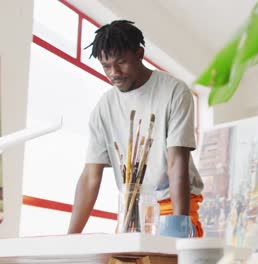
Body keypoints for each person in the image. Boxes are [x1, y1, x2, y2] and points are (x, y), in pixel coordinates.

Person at [67, 20, 204, 237]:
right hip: (132, 209)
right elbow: (90, 176)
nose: (114, 73)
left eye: (121, 62)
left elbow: (177, 161)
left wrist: (180, 222)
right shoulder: (105, 107)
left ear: (139, 54)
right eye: (106, 66)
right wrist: (71, 237)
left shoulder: (174, 91)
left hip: (171, 202)